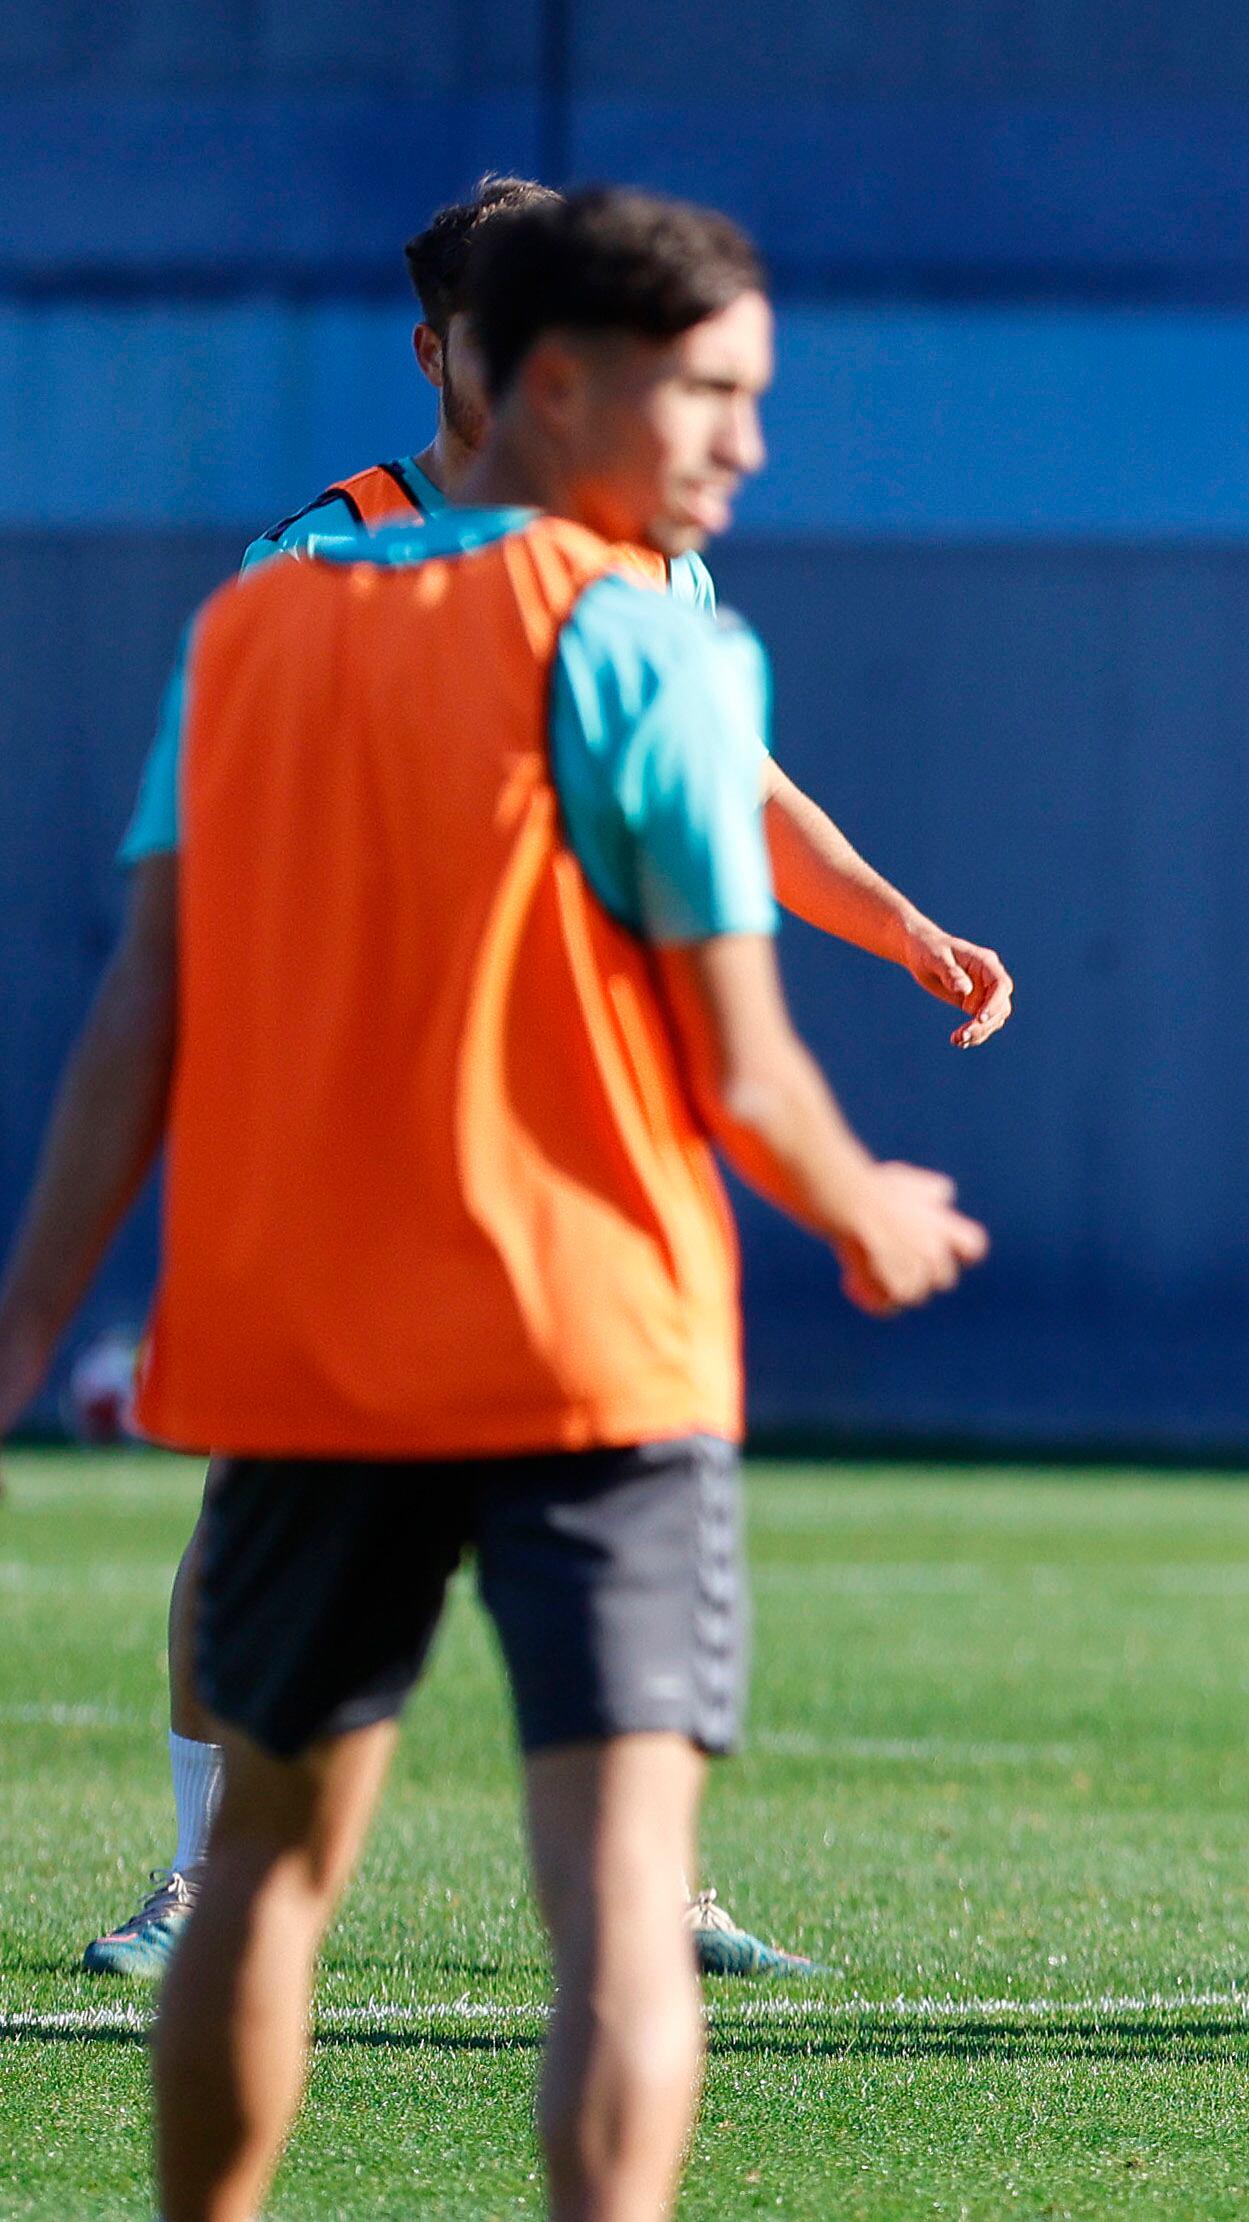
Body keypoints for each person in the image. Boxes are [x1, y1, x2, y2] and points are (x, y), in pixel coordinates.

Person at [0, 185, 988, 2222]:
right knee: (615, 1904)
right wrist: (859, 1200)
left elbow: (142, 1002)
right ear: (547, 380)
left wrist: (33, 1309)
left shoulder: (256, 625)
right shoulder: (637, 638)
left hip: (320, 1321)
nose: (745, 442)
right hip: (589, 1332)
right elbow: (739, 1058)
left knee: (274, 1870)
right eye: (711, 393)